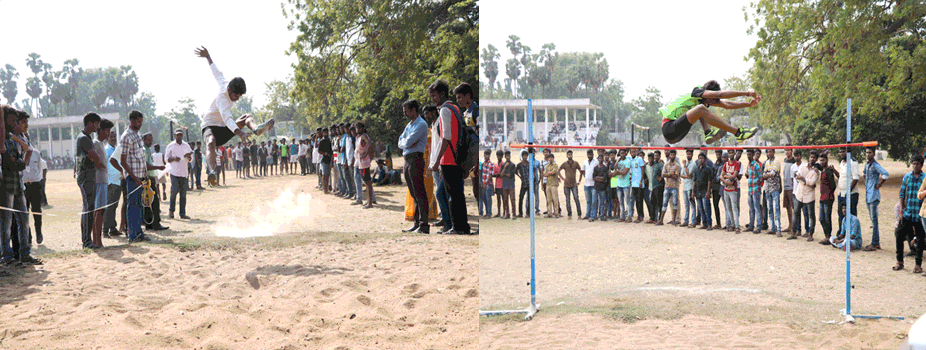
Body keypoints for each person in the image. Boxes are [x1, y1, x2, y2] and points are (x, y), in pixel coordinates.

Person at [194, 46, 274, 186]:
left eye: (239, 96)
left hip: (223, 129)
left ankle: (256, 129)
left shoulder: (224, 82)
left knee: (246, 116)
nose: (237, 99)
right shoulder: (222, 99)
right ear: (229, 90)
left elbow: (216, 72)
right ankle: (212, 171)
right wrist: (240, 134)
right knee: (211, 142)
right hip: (209, 127)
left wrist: (208, 56)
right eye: (235, 96)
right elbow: (228, 119)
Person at [428, 80, 472, 235]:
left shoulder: (445, 110)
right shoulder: (455, 108)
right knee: (457, 195)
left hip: (449, 158)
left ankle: (457, 227)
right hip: (458, 157)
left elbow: (446, 137)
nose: (433, 99)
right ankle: (462, 226)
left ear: (442, 94)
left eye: (434, 95)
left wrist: (436, 161)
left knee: (452, 195)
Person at [658, 80, 761, 144]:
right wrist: (747, 93)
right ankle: (738, 132)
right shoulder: (696, 92)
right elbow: (720, 95)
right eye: (711, 100)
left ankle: (708, 133)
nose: (710, 104)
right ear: (708, 92)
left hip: (678, 134)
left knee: (702, 109)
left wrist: (748, 104)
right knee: (701, 108)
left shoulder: (703, 101)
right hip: (669, 128)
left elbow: (727, 104)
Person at [1, 110, 39, 265]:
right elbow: (13, 164)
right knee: (6, 223)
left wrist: (20, 162)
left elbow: (18, 162)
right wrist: (21, 162)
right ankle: (7, 257)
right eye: (13, 121)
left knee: (23, 220)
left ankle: (24, 253)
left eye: (17, 121)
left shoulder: (14, 139)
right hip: (6, 187)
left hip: (18, 185)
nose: (16, 124)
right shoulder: (4, 140)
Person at [119, 111, 153, 243]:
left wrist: (145, 176)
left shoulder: (138, 134)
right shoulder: (126, 137)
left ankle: (139, 232)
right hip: (133, 179)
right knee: (132, 206)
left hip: (141, 177)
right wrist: (134, 178)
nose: (140, 124)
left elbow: (141, 157)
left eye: (141, 121)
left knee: (139, 206)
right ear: (132, 121)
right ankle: (132, 235)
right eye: (138, 121)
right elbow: (123, 161)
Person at [398, 99, 429, 234]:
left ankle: (424, 225)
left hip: (416, 159)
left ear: (413, 110)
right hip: (407, 159)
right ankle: (417, 223)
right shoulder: (409, 125)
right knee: (413, 193)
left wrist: (405, 142)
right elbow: (401, 141)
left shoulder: (421, 124)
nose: (405, 114)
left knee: (419, 192)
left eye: (406, 111)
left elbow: (408, 141)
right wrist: (406, 143)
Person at [75, 112, 104, 249]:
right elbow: (92, 154)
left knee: (88, 208)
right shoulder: (84, 138)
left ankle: (87, 240)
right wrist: (99, 163)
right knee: (88, 208)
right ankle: (86, 241)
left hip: (88, 177)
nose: (98, 126)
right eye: (97, 123)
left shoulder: (84, 137)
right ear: (90, 123)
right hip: (86, 178)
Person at [894, 155, 924, 273]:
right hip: (907, 213)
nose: (915, 166)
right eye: (914, 164)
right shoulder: (907, 177)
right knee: (899, 235)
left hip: (920, 214)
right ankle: (899, 261)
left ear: (921, 165)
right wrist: (901, 211)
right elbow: (902, 194)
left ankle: (918, 265)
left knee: (920, 240)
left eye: (917, 164)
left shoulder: (924, 178)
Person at [21, 114, 45, 244]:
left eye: (27, 139)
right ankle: (28, 235)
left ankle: (39, 233)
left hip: (35, 185)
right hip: (24, 186)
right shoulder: (19, 153)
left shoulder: (36, 153)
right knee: (25, 212)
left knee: (37, 211)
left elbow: (40, 169)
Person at [90, 120, 114, 248]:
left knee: (101, 211)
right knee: (98, 211)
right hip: (98, 181)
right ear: (100, 130)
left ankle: (98, 240)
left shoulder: (101, 144)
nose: (109, 134)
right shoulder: (96, 143)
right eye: (107, 131)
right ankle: (97, 241)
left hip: (104, 181)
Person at [861, 147, 889, 251]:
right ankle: (876, 242)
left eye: (870, 153)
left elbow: (886, 174)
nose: (867, 154)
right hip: (868, 195)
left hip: (874, 195)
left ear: (873, 154)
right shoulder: (867, 165)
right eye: (866, 152)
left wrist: (879, 184)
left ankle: (874, 243)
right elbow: (864, 173)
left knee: (874, 220)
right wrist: (868, 181)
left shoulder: (876, 165)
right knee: (873, 220)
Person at [165, 129, 193, 220]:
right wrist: (173, 159)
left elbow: (190, 159)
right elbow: (166, 159)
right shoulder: (170, 146)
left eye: (180, 135)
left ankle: (182, 213)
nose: (179, 137)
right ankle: (171, 212)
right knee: (174, 192)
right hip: (174, 172)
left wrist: (189, 157)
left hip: (184, 173)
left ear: (182, 136)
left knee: (183, 194)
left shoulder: (186, 146)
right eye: (177, 135)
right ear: (174, 136)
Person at [142, 133, 168, 231]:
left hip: (152, 176)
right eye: (148, 140)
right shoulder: (144, 150)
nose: (150, 142)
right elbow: (146, 166)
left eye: (151, 140)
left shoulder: (148, 150)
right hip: (148, 178)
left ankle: (149, 224)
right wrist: (158, 167)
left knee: (149, 201)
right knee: (154, 201)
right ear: (143, 140)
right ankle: (156, 223)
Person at [836, 147, 860, 237]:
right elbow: (841, 177)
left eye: (844, 151)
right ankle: (842, 234)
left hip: (851, 194)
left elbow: (856, 178)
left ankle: (852, 236)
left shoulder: (853, 162)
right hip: (841, 193)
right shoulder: (842, 163)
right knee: (841, 215)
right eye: (840, 152)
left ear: (848, 152)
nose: (842, 153)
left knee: (851, 215)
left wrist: (848, 191)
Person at [103, 131, 123, 238]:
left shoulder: (117, 149)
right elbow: (104, 167)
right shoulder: (106, 150)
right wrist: (108, 181)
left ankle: (113, 228)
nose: (113, 138)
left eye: (115, 136)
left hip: (118, 181)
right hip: (111, 182)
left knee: (114, 207)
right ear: (107, 138)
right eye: (111, 137)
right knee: (109, 207)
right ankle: (105, 230)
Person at [818, 152, 839, 244]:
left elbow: (833, 185)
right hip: (822, 198)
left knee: (827, 217)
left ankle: (828, 236)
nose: (822, 162)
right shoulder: (822, 170)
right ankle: (827, 235)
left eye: (823, 160)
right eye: (821, 160)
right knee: (821, 218)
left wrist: (829, 193)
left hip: (828, 198)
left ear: (827, 160)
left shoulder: (829, 171)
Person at [354, 122, 375, 208]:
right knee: (365, 182)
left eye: (359, 128)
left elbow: (370, 143)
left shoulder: (364, 136)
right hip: (360, 162)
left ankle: (370, 203)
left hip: (365, 162)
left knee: (367, 181)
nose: (357, 129)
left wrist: (366, 154)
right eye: (356, 128)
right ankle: (368, 201)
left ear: (362, 128)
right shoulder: (358, 137)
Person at [762, 149, 782, 236]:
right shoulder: (767, 162)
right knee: (770, 208)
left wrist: (766, 175)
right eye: (768, 152)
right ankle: (772, 228)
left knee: (776, 208)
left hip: (774, 188)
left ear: (773, 152)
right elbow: (764, 174)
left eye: (770, 152)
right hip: (767, 188)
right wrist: (766, 175)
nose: (769, 153)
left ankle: (778, 229)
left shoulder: (776, 162)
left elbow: (772, 174)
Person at [559, 150, 583, 220]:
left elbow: (581, 171)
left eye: (571, 154)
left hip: (574, 184)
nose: (570, 156)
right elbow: (558, 171)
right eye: (568, 154)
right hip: (566, 185)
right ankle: (569, 214)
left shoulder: (576, 163)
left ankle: (579, 215)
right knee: (567, 200)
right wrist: (562, 178)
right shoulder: (564, 164)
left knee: (576, 198)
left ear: (572, 155)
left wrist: (579, 181)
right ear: (567, 156)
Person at [659, 150, 681, 226]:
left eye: (673, 155)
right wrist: (670, 174)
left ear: (675, 156)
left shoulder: (677, 165)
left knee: (675, 203)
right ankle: (661, 220)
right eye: (671, 155)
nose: (672, 156)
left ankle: (674, 220)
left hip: (674, 186)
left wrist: (668, 175)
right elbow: (663, 174)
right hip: (667, 186)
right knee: (664, 203)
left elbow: (676, 176)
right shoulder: (666, 164)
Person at [693, 152, 714, 230]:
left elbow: (709, 181)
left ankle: (709, 224)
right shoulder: (697, 169)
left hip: (705, 191)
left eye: (702, 158)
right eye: (699, 158)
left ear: (704, 159)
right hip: (698, 191)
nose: (700, 160)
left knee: (707, 209)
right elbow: (694, 181)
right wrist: (693, 192)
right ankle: (704, 224)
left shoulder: (708, 169)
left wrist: (708, 191)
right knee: (701, 209)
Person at [581, 149, 598, 221]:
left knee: (594, 201)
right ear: (587, 155)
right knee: (588, 201)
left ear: (593, 155)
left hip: (594, 184)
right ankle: (587, 214)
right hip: (586, 184)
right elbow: (582, 170)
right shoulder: (585, 162)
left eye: (591, 154)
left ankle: (593, 215)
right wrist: (585, 176)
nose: (590, 156)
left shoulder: (596, 162)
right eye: (588, 154)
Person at [543, 153, 562, 218]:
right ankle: (549, 213)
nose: (550, 159)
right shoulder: (547, 166)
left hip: (554, 184)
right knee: (548, 199)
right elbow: (544, 174)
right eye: (549, 158)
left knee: (555, 199)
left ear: (553, 159)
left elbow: (554, 172)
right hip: (548, 184)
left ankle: (556, 213)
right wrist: (549, 173)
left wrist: (548, 173)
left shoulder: (555, 165)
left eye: (551, 158)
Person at [782, 148, 796, 233]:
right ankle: (790, 225)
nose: (787, 152)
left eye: (789, 150)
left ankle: (795, 226)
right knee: (787, 207)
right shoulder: (785, 160)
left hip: (792, 187)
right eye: (786, 150)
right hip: (786, 186)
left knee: (793, 207)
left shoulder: (793, 161)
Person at [593, 154, 610, 222]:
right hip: (596, 187)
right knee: (594, 202)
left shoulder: (605, 168)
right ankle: (594, 216)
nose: (600, 159)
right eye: (599, 158)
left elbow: (605, 179)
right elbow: (594, 178)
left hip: (602, 188)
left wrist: (598, 178)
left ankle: (602, 216)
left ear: (603, 159)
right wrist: (600, 178)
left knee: (602, 203)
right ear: (598, 159)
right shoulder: (595, 168)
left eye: (601, 158)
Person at [630, 149, 646, 223]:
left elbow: (643, 170)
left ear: (636, 153)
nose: (633, 153)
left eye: (634, 152)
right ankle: (639, 216)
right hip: (633, 184)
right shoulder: (631, 160)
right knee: (636, 201)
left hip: (639, 184)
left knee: (640, 201)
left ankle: (640, 216)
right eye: (631, 152)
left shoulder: (639, 159)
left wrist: (641, 181)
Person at [501, 150, 517, 219]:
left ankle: (514, 214)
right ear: (505, 157)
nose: (508, 157)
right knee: (505, 200)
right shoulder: (502, 165)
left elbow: (510, 175)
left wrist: (504, 174)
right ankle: (507, 214)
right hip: (504, 184)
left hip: (511, 184)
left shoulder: (513, 165)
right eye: (506, 156)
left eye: (509, 156)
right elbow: (501, 175)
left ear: (510, 156)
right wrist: (504, 168)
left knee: (512, 199)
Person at [480, 150, 495, 218]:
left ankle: (489, 213)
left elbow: (491, 176)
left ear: (489, 156)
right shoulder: (483, 164)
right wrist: (482, 184)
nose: (486, 156)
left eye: (487, 155)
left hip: (488, 184)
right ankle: (487, 212)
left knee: (488, 199)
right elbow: (482, 174)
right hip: (483, 184)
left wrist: (485, 184)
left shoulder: (491, 164)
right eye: (485, 155)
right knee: (485, 199)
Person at [319, 128, 333, 193]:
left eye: (326, 132)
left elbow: (332, 151)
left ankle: (327, 188)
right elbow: (319, 151)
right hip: (324, 160)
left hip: (329, 159)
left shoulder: (330, 141)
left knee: (328, 175)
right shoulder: (321, 141)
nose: (325, 134)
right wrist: (325, 153)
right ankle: (324, 189)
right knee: (324, 175)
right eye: (324, 133)